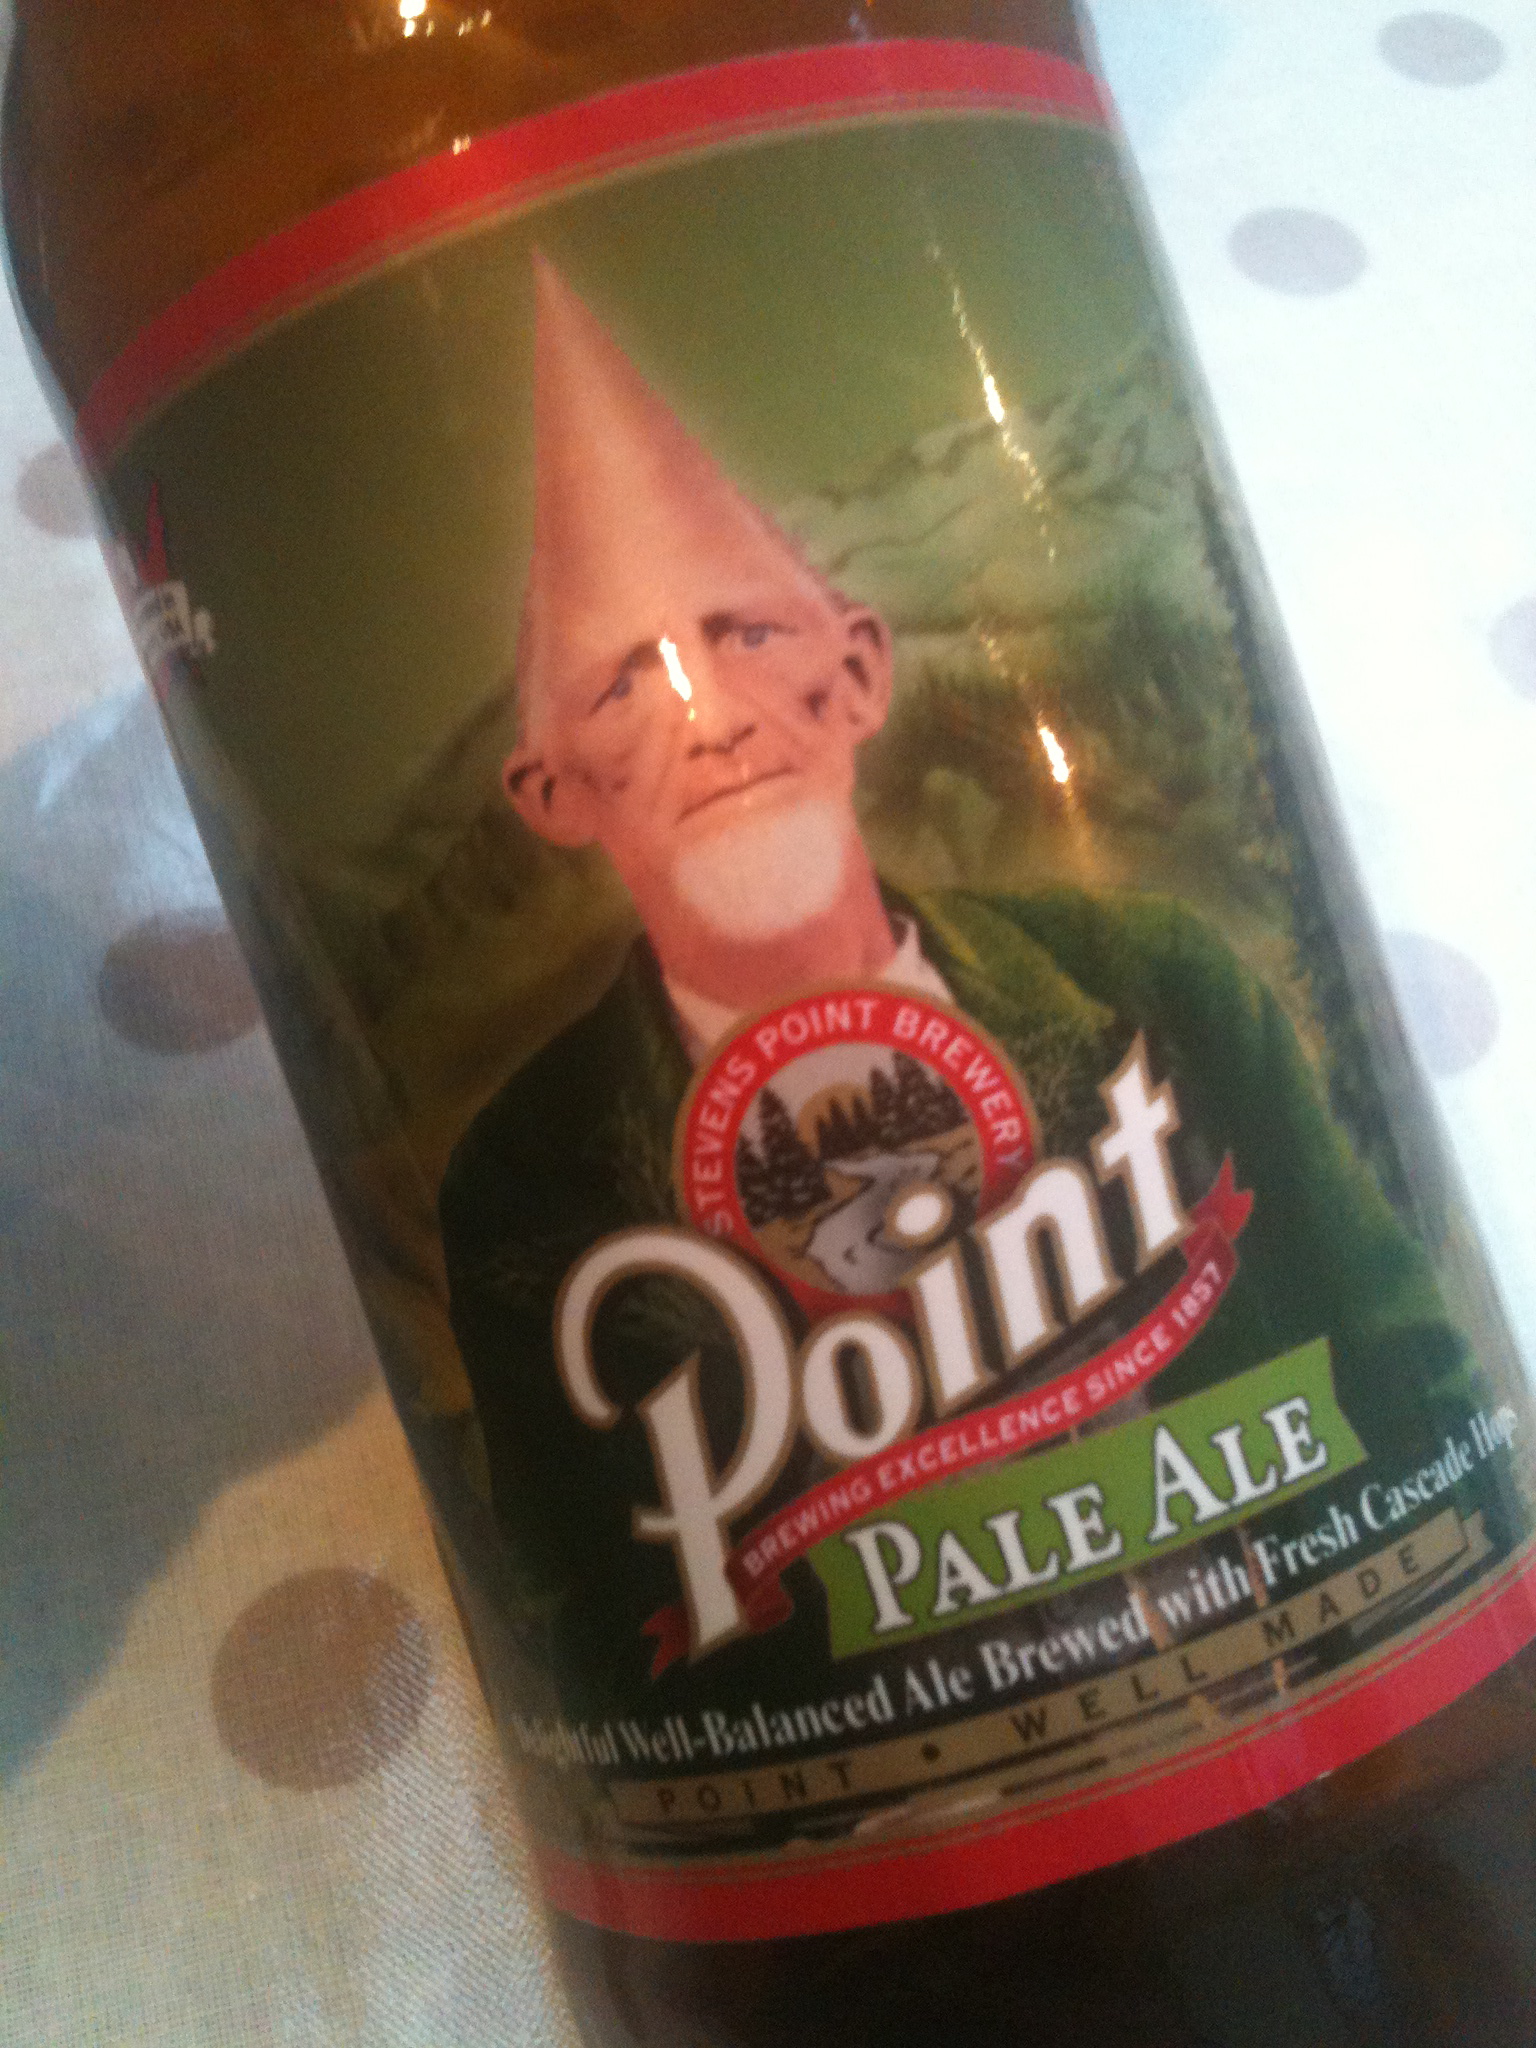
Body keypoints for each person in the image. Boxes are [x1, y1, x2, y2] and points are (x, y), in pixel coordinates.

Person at [439, 258, 1461, 1703]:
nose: (711, 720)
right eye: (622, 686)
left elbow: (1415, 1388)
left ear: (858, 672)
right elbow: (604, 1646)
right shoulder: (524, 1187)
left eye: (747, 634)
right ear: (553, 791)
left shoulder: (1158, 981)